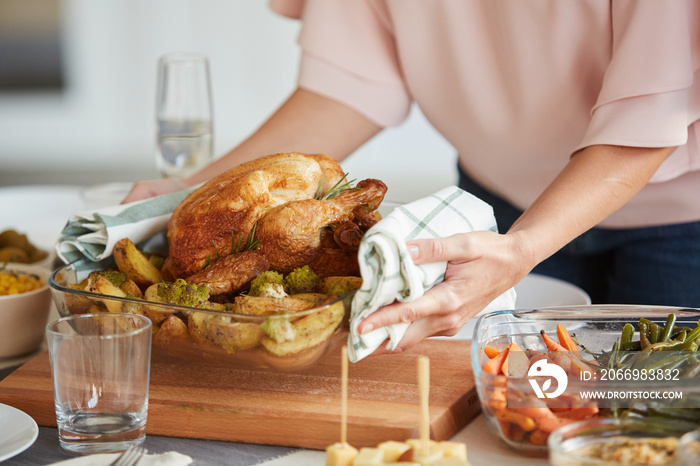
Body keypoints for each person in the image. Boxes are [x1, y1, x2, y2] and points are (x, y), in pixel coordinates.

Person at [124, 0, 700, 354]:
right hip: (489, 215)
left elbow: (652, 111)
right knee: (517, 411)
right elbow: (345, 88)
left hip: (679, 225)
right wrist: (197, 188)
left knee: (656, 416)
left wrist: (524, 246)